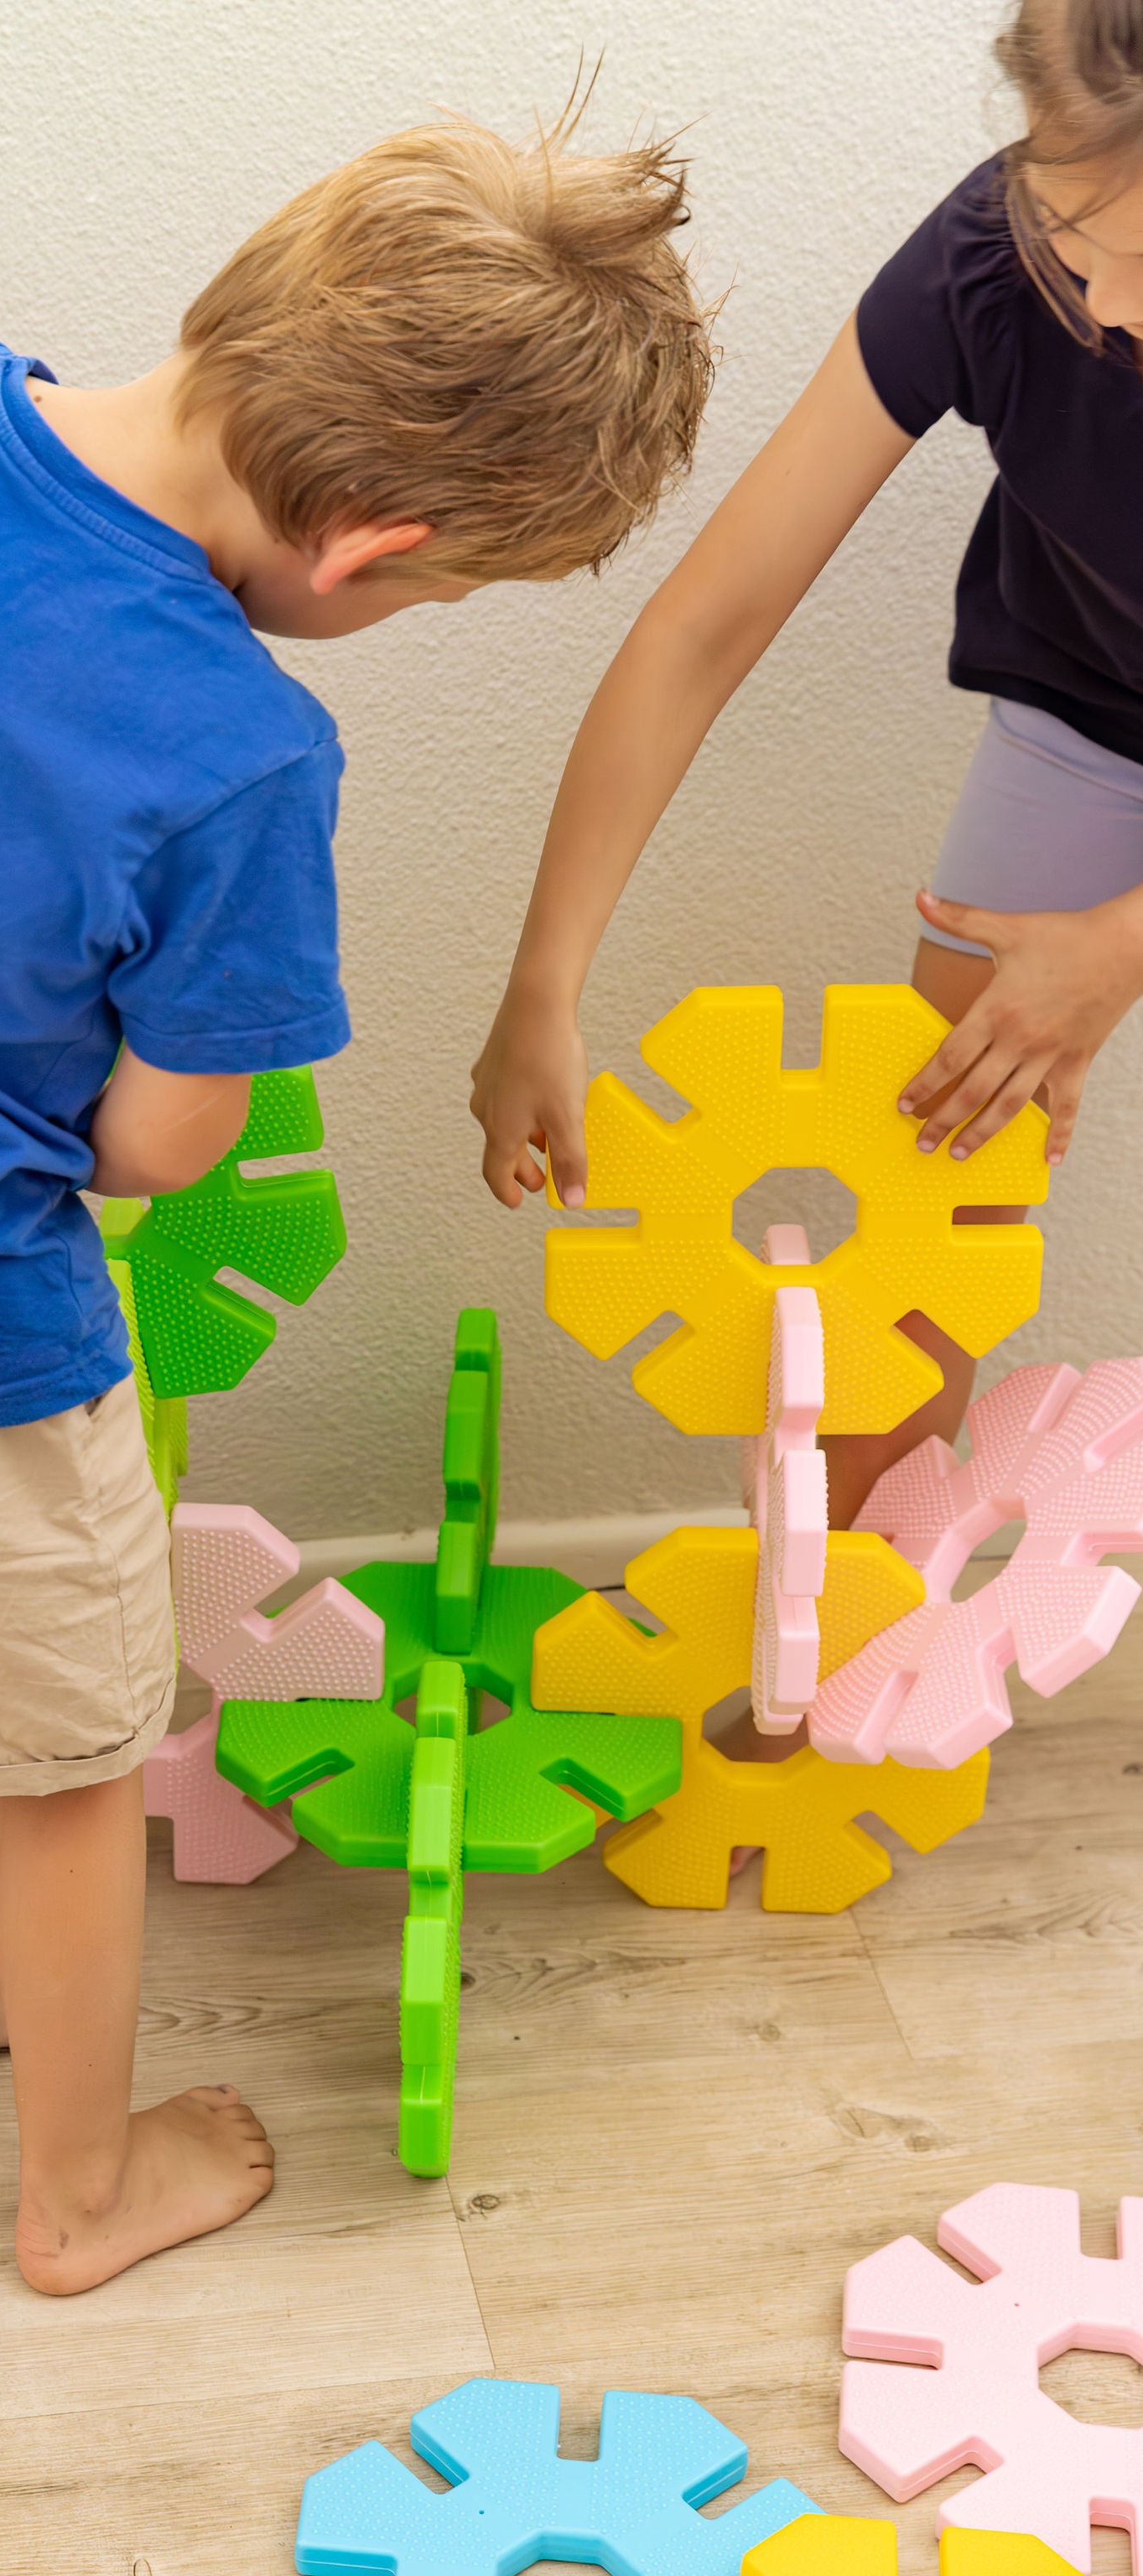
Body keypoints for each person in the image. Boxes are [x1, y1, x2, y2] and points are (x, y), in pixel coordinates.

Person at [0, 113, 713, 2293]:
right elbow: (161, 1147)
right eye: (447, 597)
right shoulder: (237, 751)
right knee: (71, 1771)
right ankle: (85, 2197)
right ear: (373, 545)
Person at [472, 0, 1143, 1549]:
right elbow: (702, 628)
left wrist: (1117, 949)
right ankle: (838, 1634)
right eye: (1063, 214)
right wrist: (545, 981)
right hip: (1092, 720)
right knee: (929, 1186)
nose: (1095, 299)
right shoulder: (990, 253)